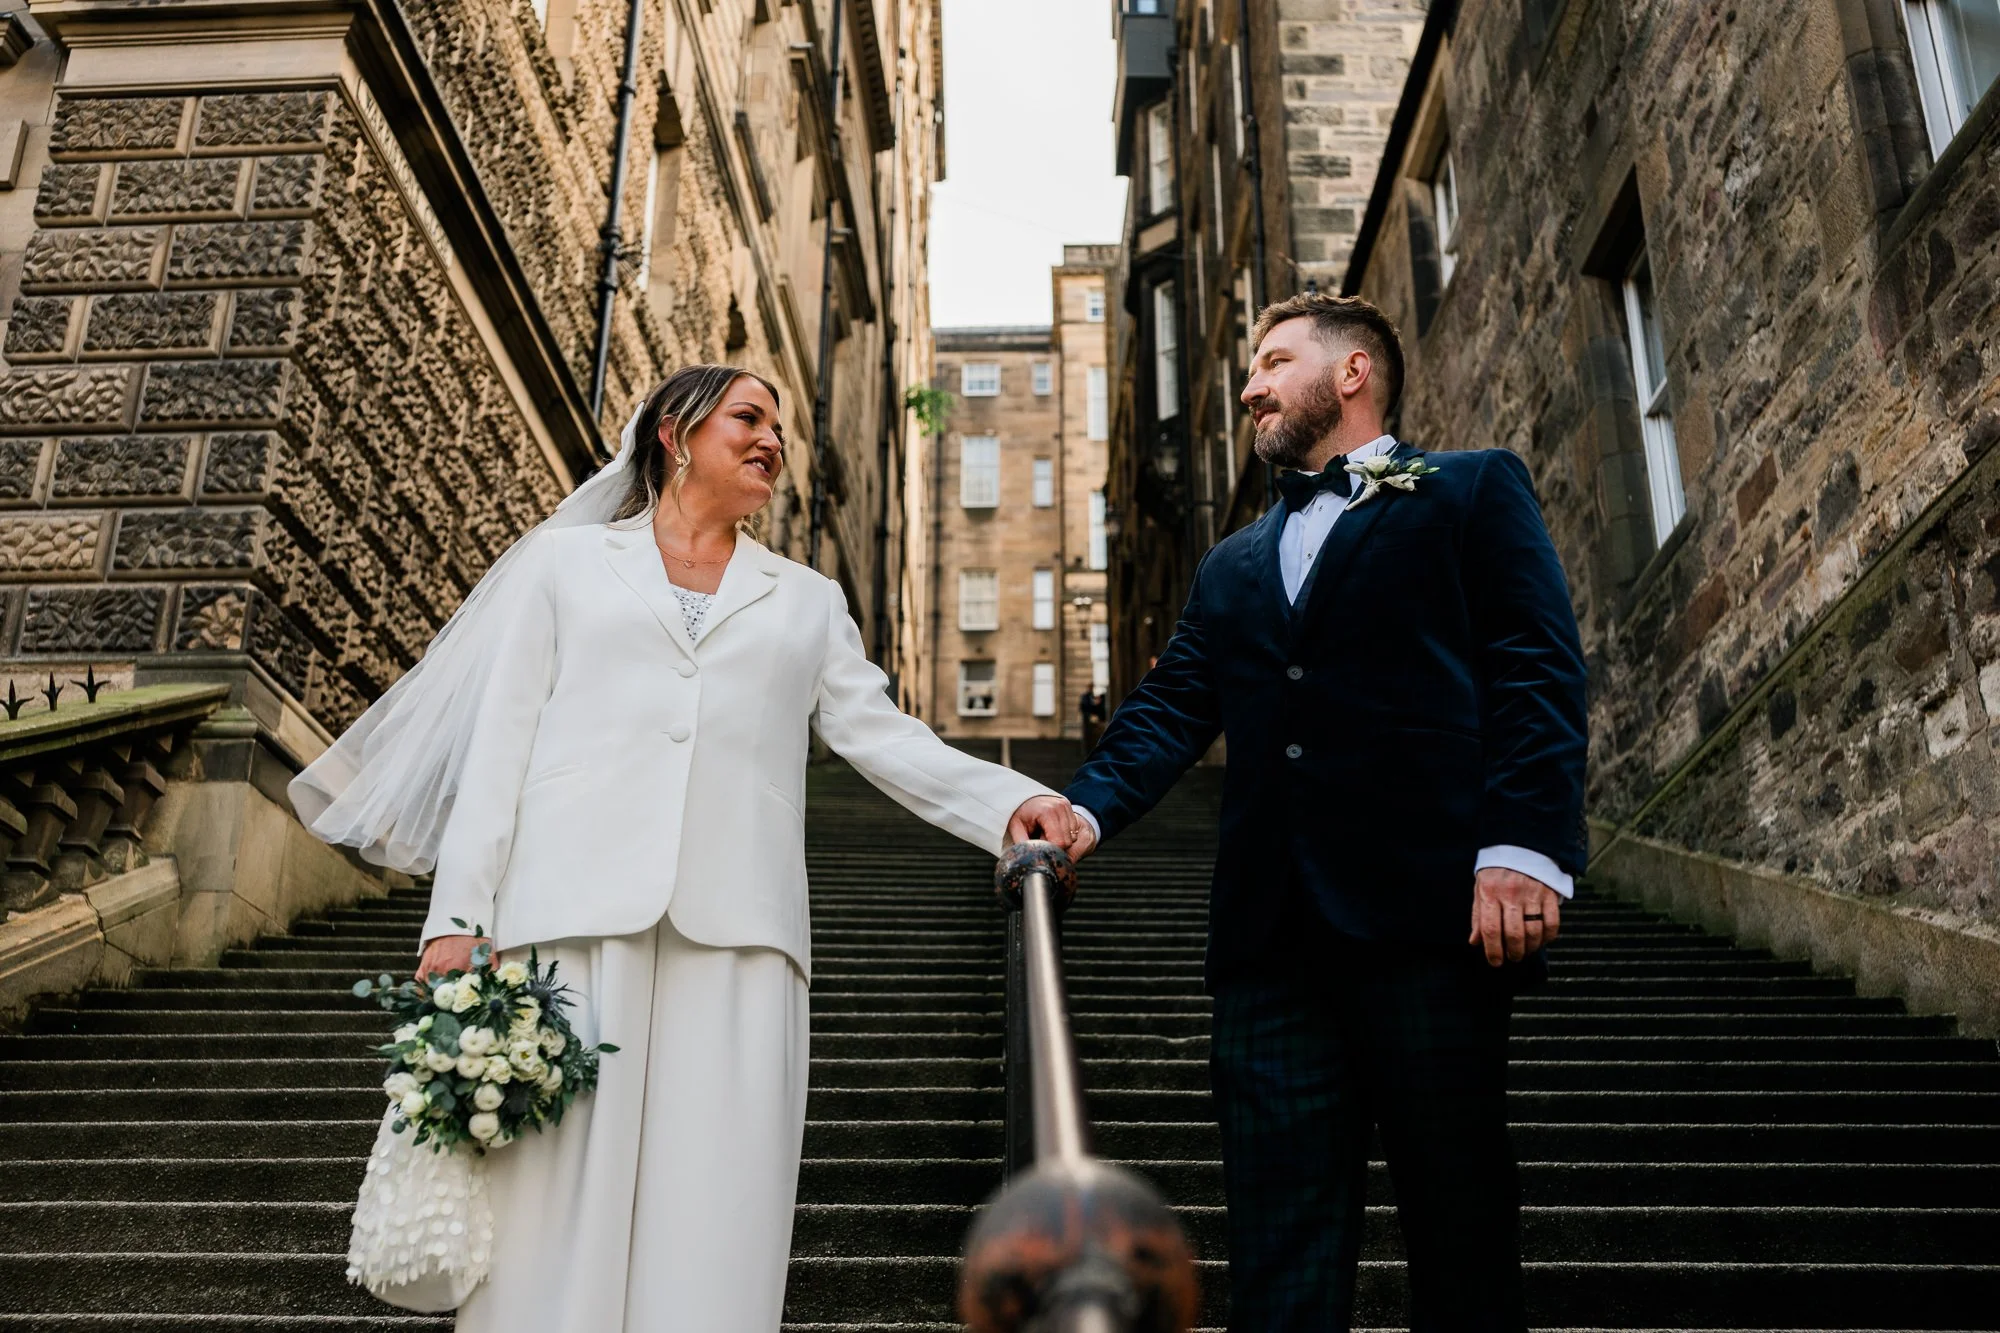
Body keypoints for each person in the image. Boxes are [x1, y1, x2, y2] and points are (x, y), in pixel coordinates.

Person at [291, 365, 1086, 1333]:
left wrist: (1015, 800)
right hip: (566, 921)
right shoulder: (563, 565)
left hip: (742, 935)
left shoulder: (803, 597)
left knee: (719, 1202)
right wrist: (457, 922)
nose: (770, 441)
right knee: (550, 1206)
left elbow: (878, 734)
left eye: (778, 428)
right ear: (674, 429)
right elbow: (501, 747)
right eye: (747, 418)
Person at [1061, 294, 1587, 1332]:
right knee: (1278, 1259)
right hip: (1268, 952)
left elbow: (1533, 669)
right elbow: (1170, 710)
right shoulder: (1230, 564)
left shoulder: (1469, 488)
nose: (1249, 386)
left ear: (1350, 373)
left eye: (1270, 362)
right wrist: (1078, 812)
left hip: (1431, 924)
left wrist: (1520, 848)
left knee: (1461, 1232)